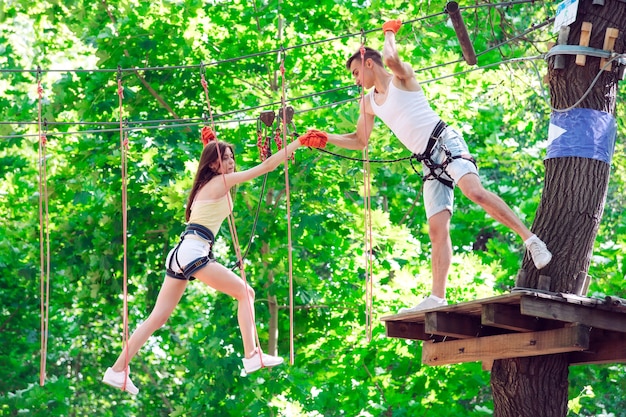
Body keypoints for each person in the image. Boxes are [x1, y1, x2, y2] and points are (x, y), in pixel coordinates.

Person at [315, 19, 552, 313]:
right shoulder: (368, 103)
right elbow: (359, 139)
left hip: (445, 143)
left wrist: (389, 32)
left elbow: (391, 58)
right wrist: (325, 139)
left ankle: (531, 240)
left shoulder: (402, 79)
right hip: (428, 162)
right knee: (436, 229)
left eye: (355, 72)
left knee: (474, 192)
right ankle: (437, 297)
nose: (355, 79)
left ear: (368, 63)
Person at [102, 127, 326, 394]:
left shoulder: (208, 183)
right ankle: (252, 354)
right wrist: (298, 143)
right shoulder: (220, 182)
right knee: (246, 292)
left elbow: (212, 173)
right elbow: (266, 166)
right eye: (226, 158)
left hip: (183, 252)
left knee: (157, 318)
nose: (231, 163)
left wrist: (210, 145)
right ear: (213, 164)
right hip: (193, 251)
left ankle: (117, 370)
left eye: (232, 157)